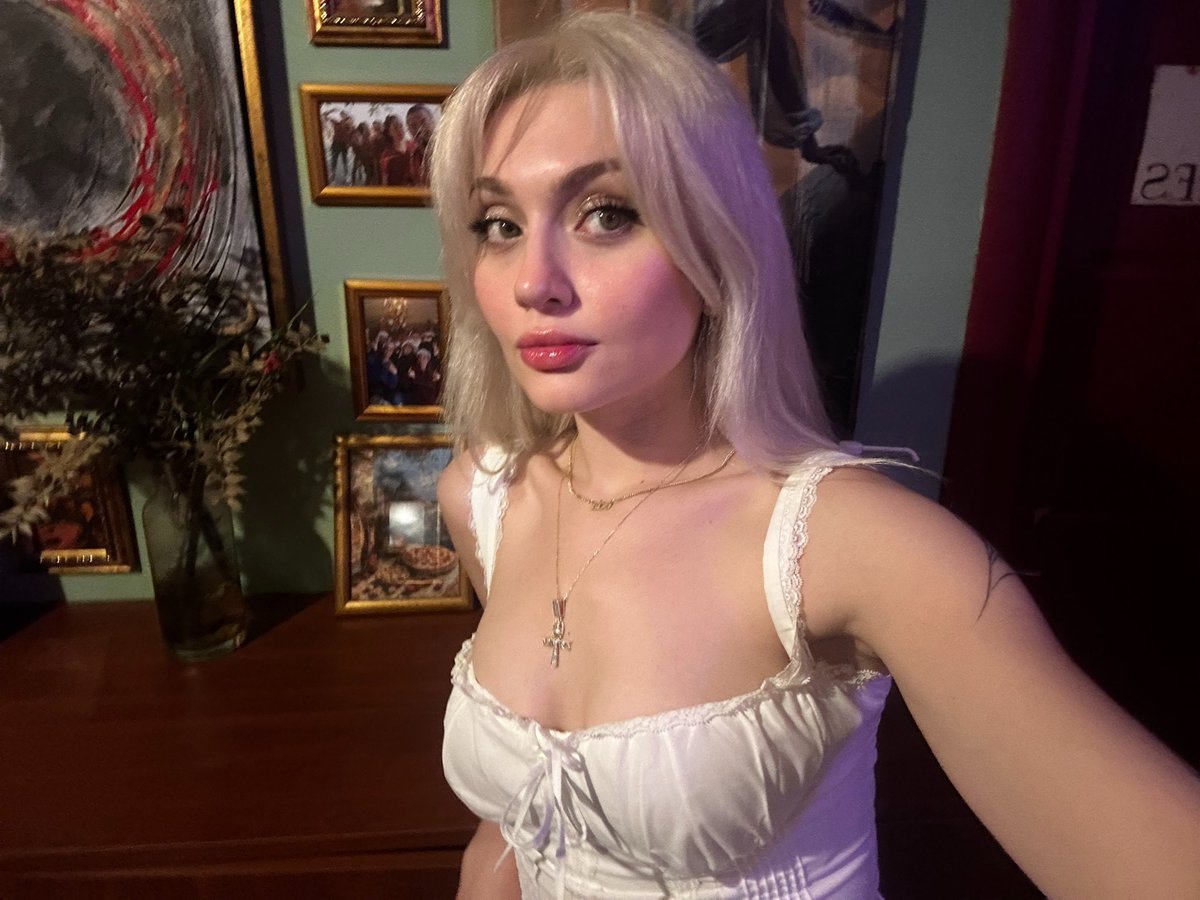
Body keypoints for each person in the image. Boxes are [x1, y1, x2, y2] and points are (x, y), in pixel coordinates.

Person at [431, 12, 1200, 900]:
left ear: (712, 242)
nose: (534, 281)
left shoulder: (851, 547)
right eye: (499, 224)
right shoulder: (484, 498)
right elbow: (513, 825)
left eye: (607, 214)